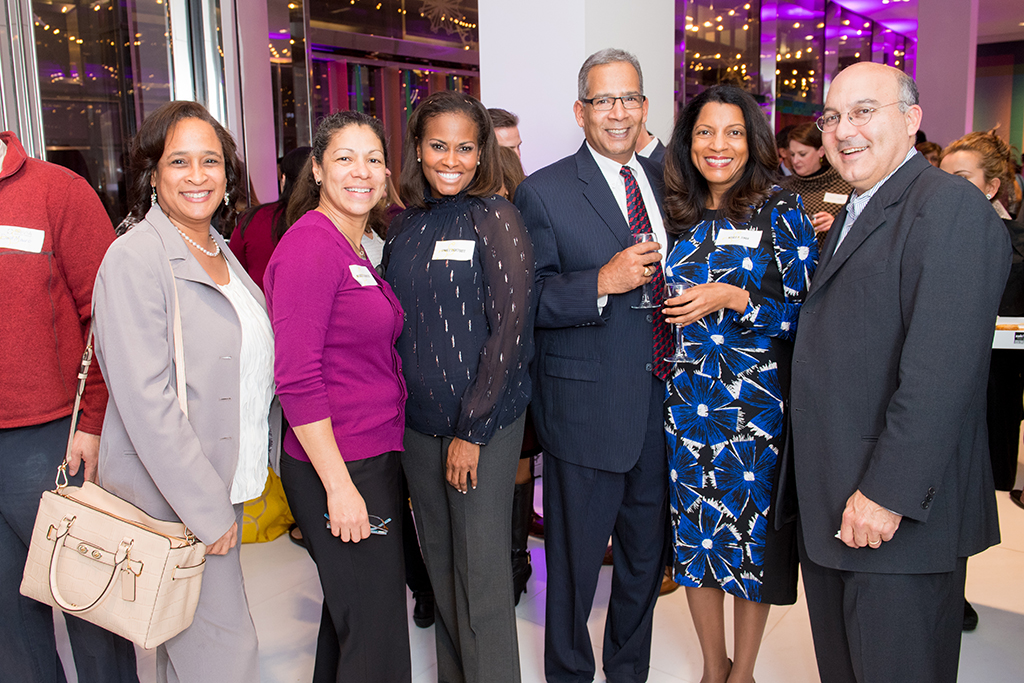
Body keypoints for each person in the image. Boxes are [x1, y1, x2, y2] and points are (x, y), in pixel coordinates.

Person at [784, 62, 1009, 683]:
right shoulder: (858, 206)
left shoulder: (949, 210)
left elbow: (940, 375)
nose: (843, 130)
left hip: (894, 512)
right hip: (835, 498)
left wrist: (887, 495)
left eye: (864, 111)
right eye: (833, 117)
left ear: (911, 121)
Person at [92, 100, 272, 682]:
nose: (198, 176)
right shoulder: (136, 258)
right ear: (152, 174)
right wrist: (205, 507)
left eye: (211, 161)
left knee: (186, 651)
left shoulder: (217, 248)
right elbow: (148, 401)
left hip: (222, 482)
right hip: (178, 501)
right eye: (179, 162)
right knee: (225, 655)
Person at [513, 47, 670, 683]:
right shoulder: (544, 191)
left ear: (645, 108)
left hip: (662, 407)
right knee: (575, 573)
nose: (617, 112)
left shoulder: (667, 182)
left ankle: (629, 672)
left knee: (643, 564)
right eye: (603, 100)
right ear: (580, 111)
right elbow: (530, 300)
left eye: (629, 98)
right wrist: (602, 281)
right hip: (585, 413)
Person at [660, 84, 817, 683]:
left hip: (756, 410)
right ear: (688, 141)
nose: (717, 145)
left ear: (752, 141)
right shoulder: (677, 210)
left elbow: (808, 317)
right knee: (698, 542)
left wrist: (739, 299)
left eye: (731, 132)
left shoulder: (784, 211)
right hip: (686, 405)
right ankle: (712, 665)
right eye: (704, 132)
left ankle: (744, 670)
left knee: (750, 545)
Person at [384, 90, 533, 683]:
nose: (451, 159)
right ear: (418, 150)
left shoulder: (495, 216)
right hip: (419, 427)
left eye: (465, 147)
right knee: (442, 570)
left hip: (484, 426)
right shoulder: (406, 224)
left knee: (482, 578)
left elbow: (511, 331)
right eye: (438, 145)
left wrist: (471, 431)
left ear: (482, 155)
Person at [264, 111, 412, 683]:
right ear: (319, 171)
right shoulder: (310, 248)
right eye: (345, 158)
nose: (362, 171)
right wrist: (340, 488)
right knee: (376, 641)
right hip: (338, 465)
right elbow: (297, 378)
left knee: (353, 618)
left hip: (367, 457)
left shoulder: (350, 246)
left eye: (373, 159)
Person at [0, 131, 139, 683]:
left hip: (51, 440)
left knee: (90, 607)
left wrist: (94, 420)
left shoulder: (57, 191)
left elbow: (107, 321)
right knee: (8, 625)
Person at [940, 131, 1024, 495]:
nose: (947, 187)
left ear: (991, 187)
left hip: (998, 367)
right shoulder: (931, 234)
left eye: (961, 178)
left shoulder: (1016, 241)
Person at [228, 145, 310, 292]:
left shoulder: (254, 219)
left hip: (260, 310)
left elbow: (233, 271)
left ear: (283, 179)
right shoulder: (331, 222)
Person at [780, 122, 853, 248]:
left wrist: (838, 226)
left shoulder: (847, 186)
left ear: (821, 151)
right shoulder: (781, 187)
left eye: (802, 154)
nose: (795, 161)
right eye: (792, 154)